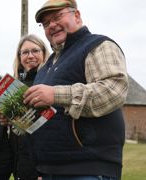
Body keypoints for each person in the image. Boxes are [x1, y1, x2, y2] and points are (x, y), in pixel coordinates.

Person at [9, 0, 128, 179]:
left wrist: (55, 94)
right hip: (48, 170)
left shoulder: (97, 45)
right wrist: (12, 116)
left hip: (87, 169)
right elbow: (39, 119)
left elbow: (114, 90)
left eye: (57, 17)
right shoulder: (46, 66)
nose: (52, 25)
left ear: (77, 16)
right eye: (46, 23)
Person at [11, 34, 50, 180]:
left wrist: (42, 171)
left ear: (44, 53)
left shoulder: (50, 80)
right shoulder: (16, 85)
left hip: (44, 164)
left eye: (35, 51)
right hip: (21, 162)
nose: (30, 56)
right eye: (25, 52)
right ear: (19, 57)